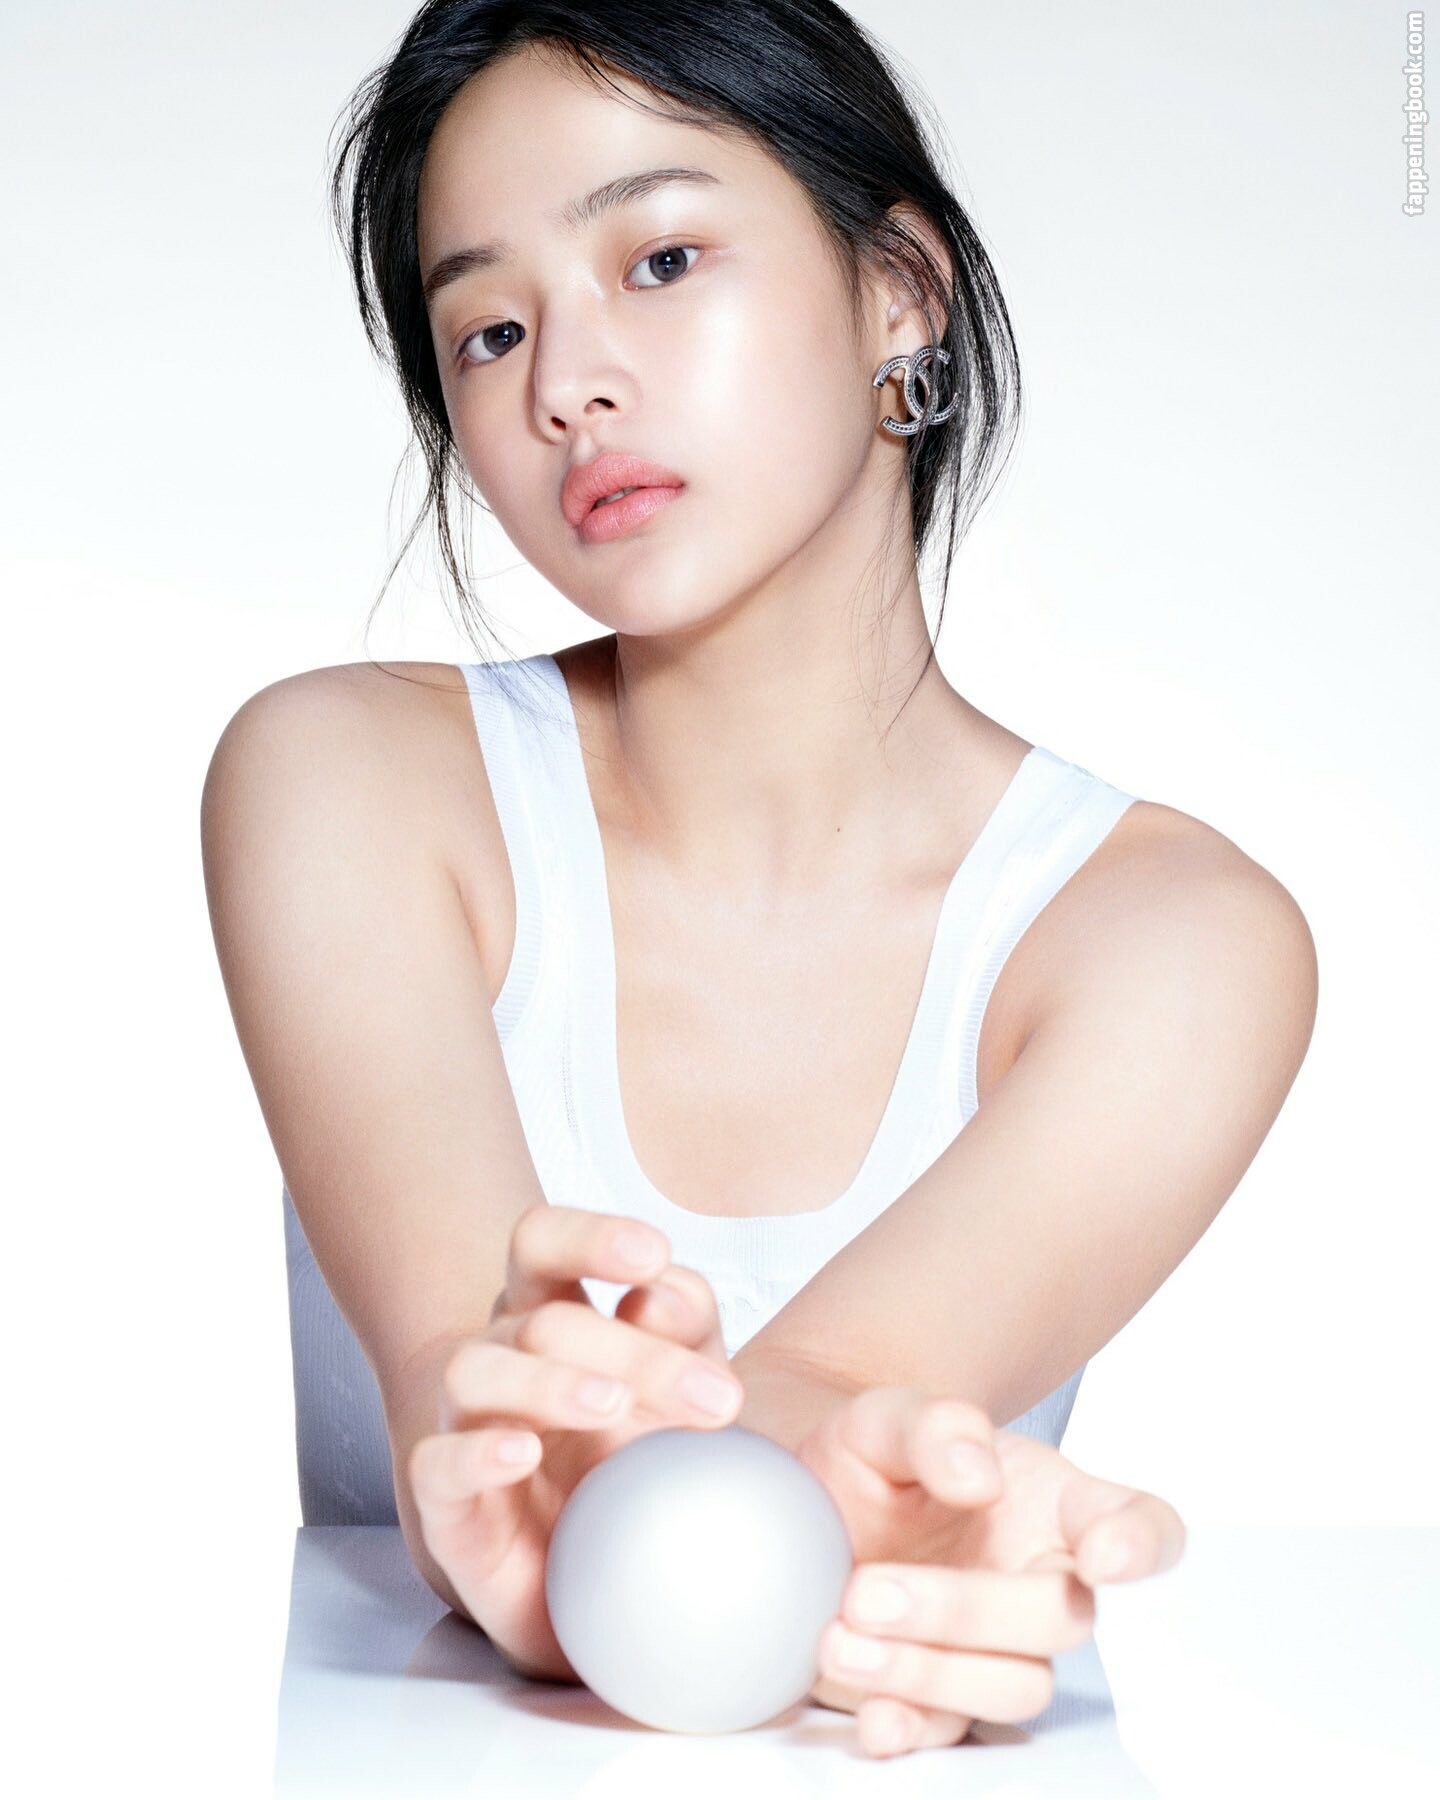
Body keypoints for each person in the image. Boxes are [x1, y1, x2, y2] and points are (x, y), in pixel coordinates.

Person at [200, 0, 1318, 1761]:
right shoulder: (343, 785)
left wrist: (757, 1522)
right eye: (490, 327)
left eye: (660, 259)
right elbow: (469, 1416)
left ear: (901, 290)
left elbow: (796, 1423)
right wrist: (534, 1490)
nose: (564, 384)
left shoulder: (1168, 947)